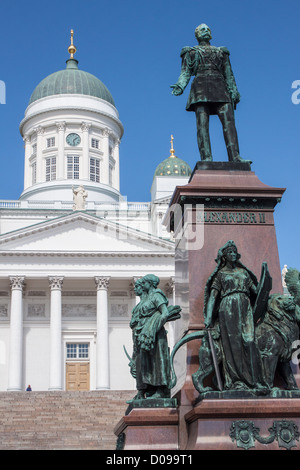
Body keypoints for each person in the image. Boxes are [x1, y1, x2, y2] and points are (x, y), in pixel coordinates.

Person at [171, 24, 251, 164]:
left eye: (208, 29)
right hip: (200, 89)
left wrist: (234, 90)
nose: (206, 31)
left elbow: (228, 73)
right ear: (197, 35)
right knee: (202, 125)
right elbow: (185, 73)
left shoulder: (221, 52)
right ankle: (206, 158)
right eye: (202, 30)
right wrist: (180, 86)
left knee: (229, 124)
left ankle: (235, 157)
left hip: (221, 87)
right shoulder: (190, 52)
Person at [204, 240, 267, 392]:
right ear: (224, 257)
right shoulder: (221, 274)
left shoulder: (243, 273)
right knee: (233, 345)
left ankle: (255, 380)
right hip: (228, 308)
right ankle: (236, 381)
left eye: (234, 252)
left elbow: (256, 291)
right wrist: (208, 317)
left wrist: (265, 280)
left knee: (249, 341)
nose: (233, 254)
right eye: (229, 252)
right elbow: (213, 296)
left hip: (245, 307)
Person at [129, 274, 180, 400]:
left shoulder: (157, 295)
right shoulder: (146, 299)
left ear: (150, 283)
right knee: (144, 363)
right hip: (143, 335)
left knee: (157, 362)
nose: (142, 284)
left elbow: (165, 313)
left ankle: (160, 390)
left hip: (155, 335)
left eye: (144, 282)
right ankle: (145, 390)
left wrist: (152, 328)